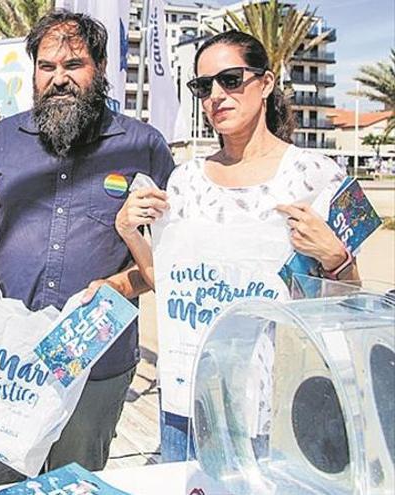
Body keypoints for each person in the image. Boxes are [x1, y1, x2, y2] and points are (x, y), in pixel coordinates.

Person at [0, 10, 175, 492]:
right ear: (33, 72)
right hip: (2, 358)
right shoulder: (2, 139)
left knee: (74, 483)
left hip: (95, 361)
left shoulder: (144, 146)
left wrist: (121, 284)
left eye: (73, 65)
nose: (59, 78)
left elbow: (169, 261)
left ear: (99, 69)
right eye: (47, 67)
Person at [115, 30, 356, 462]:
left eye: (230, 79)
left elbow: (351, 306)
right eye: (203, 86)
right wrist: (130, 232)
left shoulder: (317, 175)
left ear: (265, 83)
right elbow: (171, 286)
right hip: (187, 404)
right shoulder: (184, 181)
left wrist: (336, 258)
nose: (216, 95)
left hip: (279, 411)